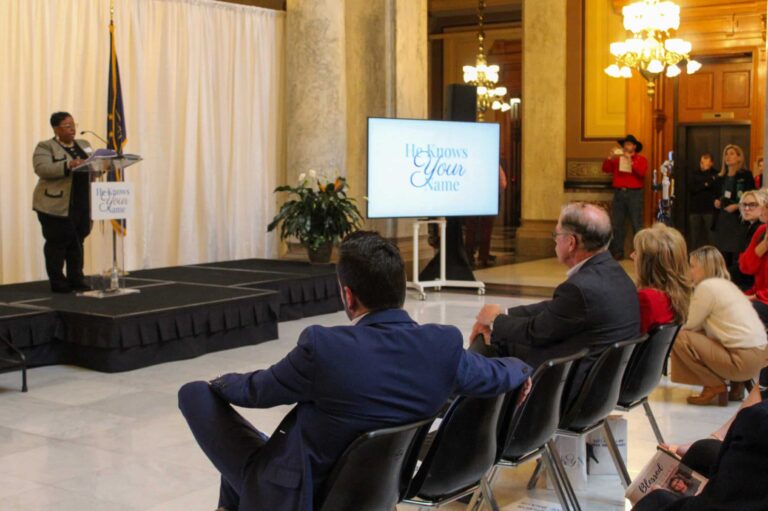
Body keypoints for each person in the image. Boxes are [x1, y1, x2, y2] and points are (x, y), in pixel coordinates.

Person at [178, 231, 532, 511]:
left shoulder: (325, 348)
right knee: (242, 470)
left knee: (193, 394)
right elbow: (494, 374)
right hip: (379, 489)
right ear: (401, 289)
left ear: (348, 296)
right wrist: (522, 368)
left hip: (304, 494)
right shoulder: (441, 346)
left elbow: (256, 392)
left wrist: (220, 382)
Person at [470, 202, 640, 404]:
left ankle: (459, 406)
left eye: (556, 236)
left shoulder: (580, 288)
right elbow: (552, 311)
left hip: (574, 392)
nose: (555, 242)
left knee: (493, 340)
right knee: (497, 333)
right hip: (603, 384)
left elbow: (536, 332)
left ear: (571, 242)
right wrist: (502, 314)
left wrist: (495, 322)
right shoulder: (614, 272)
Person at [632, 387, 768, 511]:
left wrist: (658, 499)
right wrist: (717, 438)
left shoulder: (758, 422)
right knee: (702, 450)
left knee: (655, 501)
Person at [671, 246, 767, 406]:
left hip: (743, 360)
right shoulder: (726, 285)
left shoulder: (708, 288)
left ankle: (714, 385)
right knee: (705, 334)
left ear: (705, 269)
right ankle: (736, 385)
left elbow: (689, 325)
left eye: (692, 266)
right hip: (759, 357)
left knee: (679, 337)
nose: (689, 270)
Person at [32, 112, 93, 293]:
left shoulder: (84, 145)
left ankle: (76, 278)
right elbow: (42, 169)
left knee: (78, 241)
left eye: (74, 124)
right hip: (54, 204)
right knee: (58, 242)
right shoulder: (45, 146)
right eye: (67, 125)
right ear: (56, 129)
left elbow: (93, 165)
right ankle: (58, 281)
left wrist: (102, 166)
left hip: (82, 202)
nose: (73, 128)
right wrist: (68, 165)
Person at [632, 224, 692, 333]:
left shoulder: (646, 298)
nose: (631, 256)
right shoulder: (681, 293)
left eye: (636, 252)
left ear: (649, 263)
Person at [602, 134, 648, 260]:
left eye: (629, 144)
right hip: (619, 193)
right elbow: (605, 169)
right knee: (617, 223)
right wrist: (610, 158)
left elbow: (642, 172)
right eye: (625, 144)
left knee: (636, 223)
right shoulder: (618, 160)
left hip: (634, 193)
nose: (626, 146)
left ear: (634, 146)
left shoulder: (641, 159)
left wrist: (631, 161)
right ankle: (618, 252)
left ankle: (639, 252)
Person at [712, 144, 755, 267]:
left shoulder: (745, 175)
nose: (728, 156)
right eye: (726, 154)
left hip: (738, 220)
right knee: (723, 256)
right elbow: (716, 196)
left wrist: (737, 206)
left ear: (739, 158)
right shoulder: (720, 177)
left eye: (731, 154)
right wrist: (716, 203)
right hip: (722, 220)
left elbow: (751, 196)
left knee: (736, 255)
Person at [464, 164, 508, 268]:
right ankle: (483, 256)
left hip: (472, 199)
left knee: (471, 228)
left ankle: (468, 256)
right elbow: (503, 184)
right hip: (489, 199)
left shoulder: (471, 164)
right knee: (486, 229)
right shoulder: (495, 165)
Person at [738, 191, 768, 324]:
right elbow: (745, 267)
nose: (763, 210)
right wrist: (763, 246)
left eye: (766, 206)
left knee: (738, 312)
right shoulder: (761, 230)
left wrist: (755, 296)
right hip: (758, 294)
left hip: (763, 298)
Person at [731, 189, 767, 291]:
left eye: (752, 205)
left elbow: (747, 267)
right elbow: (744, 264)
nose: (746, 208)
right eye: (743, 205)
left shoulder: (760, 228)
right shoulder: (754, 228)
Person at [687, 153, 718, 250]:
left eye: (706, 162)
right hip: (695, 209)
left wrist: (703, 183)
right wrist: (706, 184)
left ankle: (712, 259)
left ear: (711, 163)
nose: (702, 164)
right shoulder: (694, 173)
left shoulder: (716, 174)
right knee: (694, 237)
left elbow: (716, 187)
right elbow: (692, 188)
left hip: (709, 210)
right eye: (701, 162)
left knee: (711, 237)